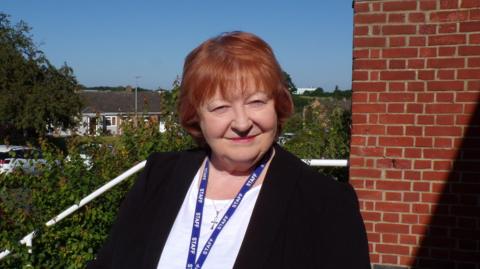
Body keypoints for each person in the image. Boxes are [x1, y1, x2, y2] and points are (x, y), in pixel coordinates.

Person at [87, 31, 370, 269]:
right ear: (196, 115)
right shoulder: (158, 176)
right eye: (221, 107)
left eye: (257, 102)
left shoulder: (326, 203)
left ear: (278, 105)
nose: (243, 123)